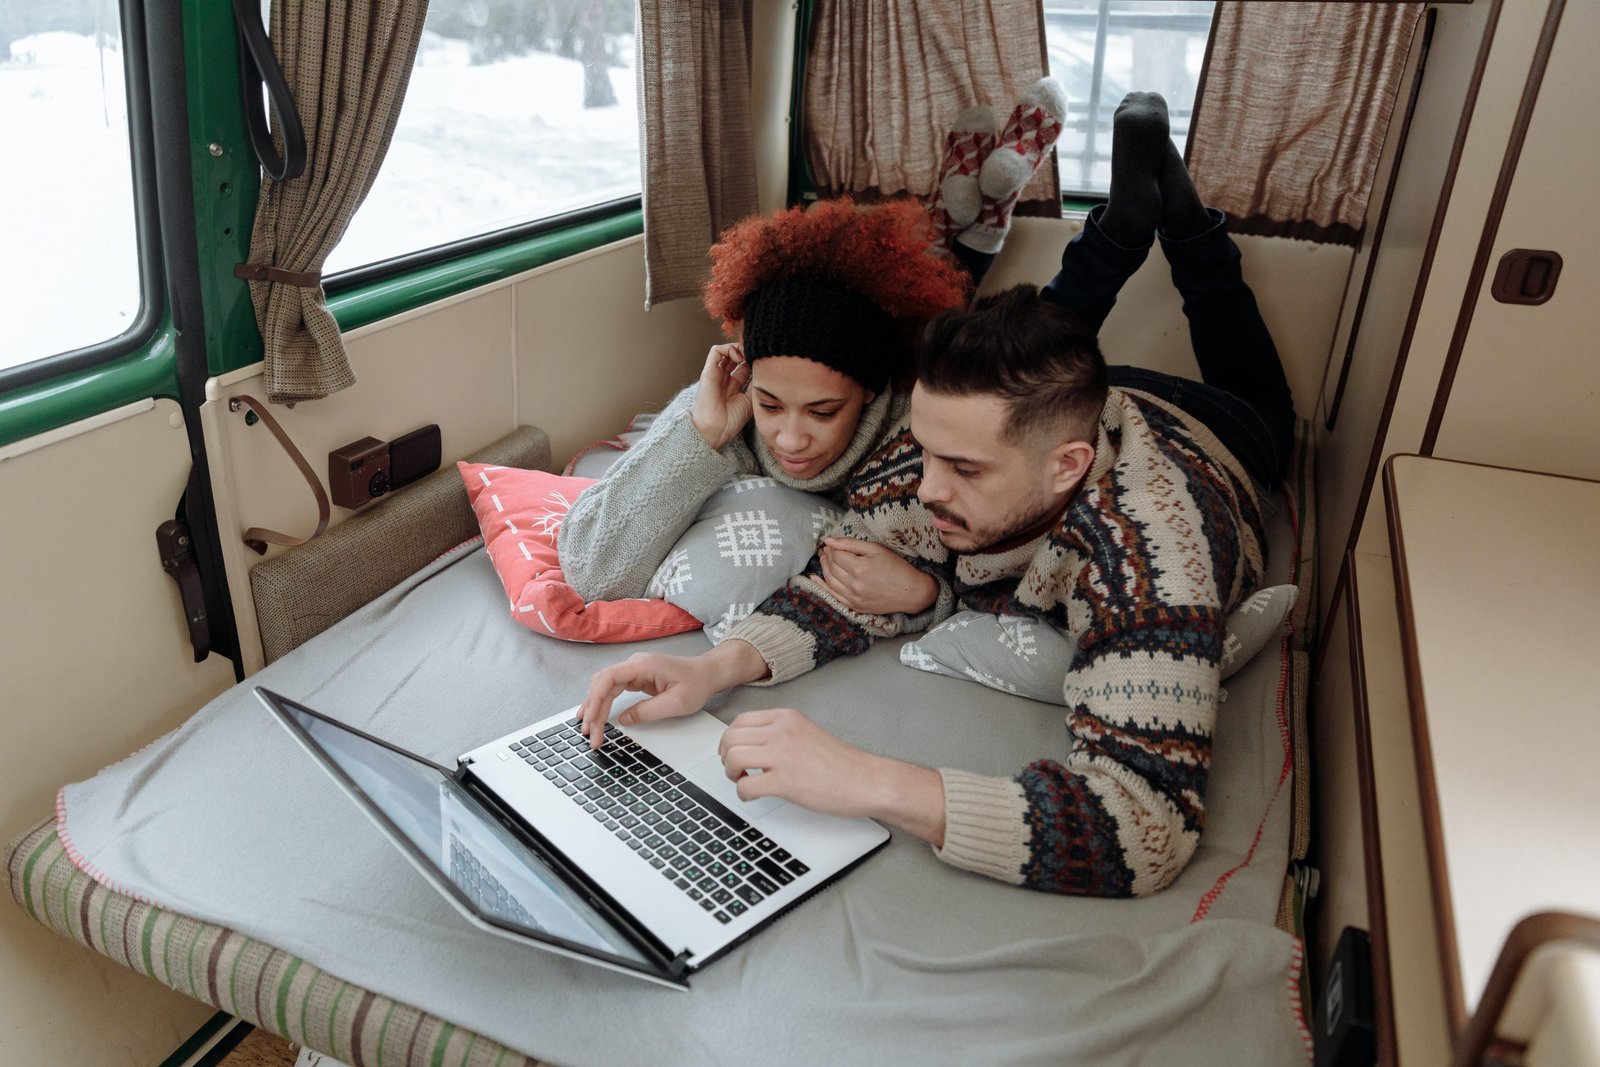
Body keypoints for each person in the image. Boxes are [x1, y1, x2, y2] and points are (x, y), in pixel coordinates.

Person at [573, 93, 1296, 900]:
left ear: (1067, 468)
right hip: (1082, 402)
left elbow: (1144, 824)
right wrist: (711, 669)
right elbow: (839, 586)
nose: (924, 490)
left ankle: (1183, 223)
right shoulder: (940, 456)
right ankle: (1125, 227)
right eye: (925, 453)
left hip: (1224, 434)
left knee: (1265, 397)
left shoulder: (1150, 551)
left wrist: (871, 779)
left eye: (965, 471)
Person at [557, 195, 970, 620]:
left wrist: (924, 594)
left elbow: (1006, 574)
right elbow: (592, 573)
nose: (790, 440)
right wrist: (702, 434)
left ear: (869, 389)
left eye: (823, 412)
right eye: (770, 405)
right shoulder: (718, 414)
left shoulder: (922, 436)